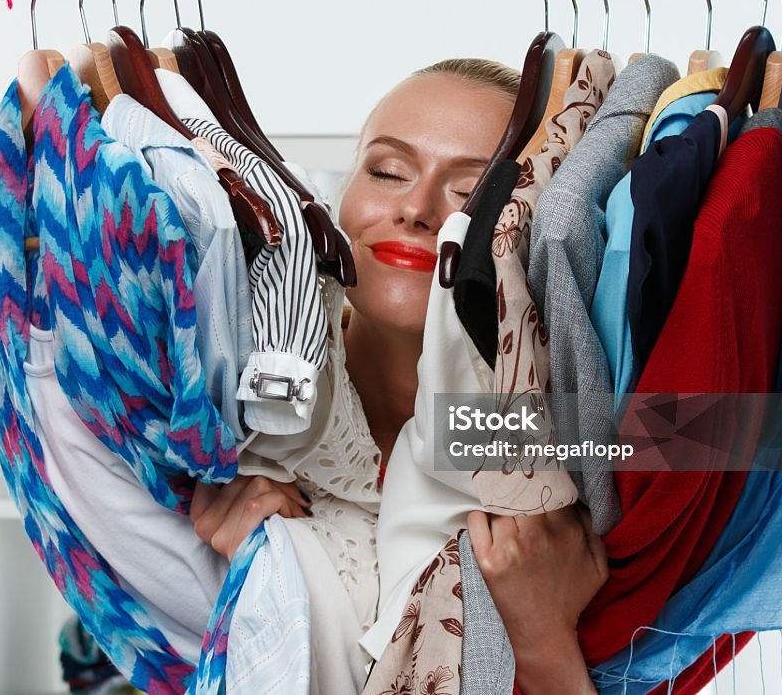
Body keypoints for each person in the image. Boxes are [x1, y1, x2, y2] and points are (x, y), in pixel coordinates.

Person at [191, 58, 609, 694]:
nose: (416, 208)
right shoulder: (228, 385)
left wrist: (543, 641)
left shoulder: (558, 435)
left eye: (471, 193)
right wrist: (231, 583)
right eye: (386, 171)